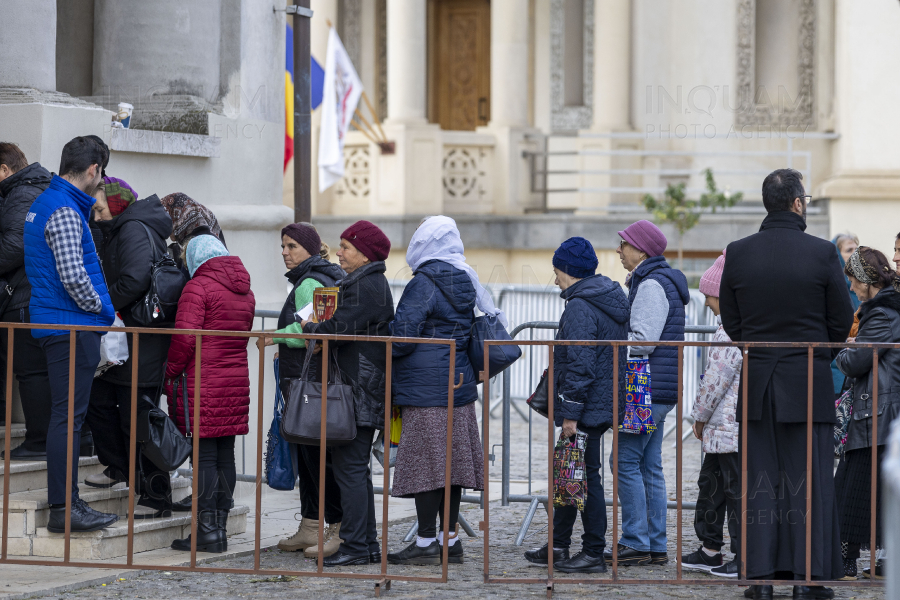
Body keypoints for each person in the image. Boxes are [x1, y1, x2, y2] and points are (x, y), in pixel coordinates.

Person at [719, 168, 853, 600]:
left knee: (759, 484)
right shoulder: (820, 253)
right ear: (798, 204)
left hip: (757, 382)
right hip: (807, 379)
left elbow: (733, 321)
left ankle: (758, 580)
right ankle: (807, 580)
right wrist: (817, 353)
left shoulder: (738, 252)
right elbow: (839, 319)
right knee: (809, 483)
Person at [22, 136, 117, 532]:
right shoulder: (63, 208)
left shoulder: (49, 202)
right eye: (102, 174)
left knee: (67, 417)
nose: (102, 182)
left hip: (61, 324)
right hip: (70, 326)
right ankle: (65, 508)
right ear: (93, 169)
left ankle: (67, 505)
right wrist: (101, 309)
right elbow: (73, 275)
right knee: (68, 420)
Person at [387, 216, 490, 566]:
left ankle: (426, 540)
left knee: (427, 466)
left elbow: (402, 338)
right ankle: (450, 539)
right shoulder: (463, 278)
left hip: (426, 388)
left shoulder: (425, 282)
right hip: (457, 385)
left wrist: (381, 331)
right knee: (450, 467)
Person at [523, 237, 629, 573]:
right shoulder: (604, 298)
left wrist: (570, 415)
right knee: (570, 471)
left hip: (586, 407)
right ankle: (557, 545)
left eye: (557, 271)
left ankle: (594, 551)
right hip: (600, 401)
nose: (555, 279)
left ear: (569, 271)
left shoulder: (581, 307)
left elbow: (580, 365)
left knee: (587, 477)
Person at [300, 220, 394, 567]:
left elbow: (337, 329)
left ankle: (357, 545)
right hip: (359, 387)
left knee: (349, 468)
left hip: (359, 390)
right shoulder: (364, 282)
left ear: (364, 253)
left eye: (346, 247)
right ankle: (365, 543)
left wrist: (311, 327)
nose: (339, 252)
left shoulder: (368, 285)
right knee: (353, 468)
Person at [84, 181, 176, 518]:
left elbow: (134, 280)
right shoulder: (123, 229)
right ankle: (122, 470)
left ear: (117, 205)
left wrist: (102, 307)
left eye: (99, 208)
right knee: (102, 404)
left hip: (143, 342)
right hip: (131, 342)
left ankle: (156, 497)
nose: (96, 216)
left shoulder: (133, 229)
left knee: (139, 422)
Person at [165, 235, 255, 553]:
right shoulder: (245, 290)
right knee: (224, 455)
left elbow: (185, 339)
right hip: (234, 383)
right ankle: (218, 526)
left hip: (202, 382)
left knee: (203, 457)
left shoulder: (198, 286)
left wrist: (169, 372)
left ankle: (205, 530)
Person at [608, 219, 689, 567]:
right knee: (649, 464)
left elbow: (641, 340)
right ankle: (654, 544)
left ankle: (635, 540)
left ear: (641, 250)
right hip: (658, 387)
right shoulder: (657, 280)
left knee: (624, 461)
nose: (619, 250)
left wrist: (612, 351)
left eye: (624, 244)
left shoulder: (652, 284)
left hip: (645, 387)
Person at [266, 223, 345, 558]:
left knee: (317, 457)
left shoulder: (310, 281)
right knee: (312, 455)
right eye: (283, 246)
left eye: (292, 246)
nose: (285, 252)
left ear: (310, 249)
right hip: (314, 381)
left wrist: (276, 336)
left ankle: (333, 528)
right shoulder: (321, 276)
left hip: (308, 383)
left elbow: (309, 333)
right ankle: (312, 526)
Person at [834, 247, 900, 580]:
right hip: (880, 409)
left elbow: (855, 360)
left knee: (851, 491)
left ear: (865, 280)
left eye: (852, 280)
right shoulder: (883, 309)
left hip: (877, 411)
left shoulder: (882, 314)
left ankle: (845, 563)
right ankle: (871, 563)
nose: (850, 287)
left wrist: (841, 346)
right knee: (863, 490)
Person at [681, 252, 741, 577]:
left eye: (708, 295)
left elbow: (715, 381)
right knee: (712, 488)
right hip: (723, 430)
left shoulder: (730, 330)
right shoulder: (731, 327)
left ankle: (741, 556)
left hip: (726, 428)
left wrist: (698, 418)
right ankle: (710, 549)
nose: (705, 302)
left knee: (731, 491)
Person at [0, 142, 53, 453]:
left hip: (25, 298)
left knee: (31, 370)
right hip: (33, 295)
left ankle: (38, 441)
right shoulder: (34, 187)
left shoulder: (22, 193)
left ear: (5, 170)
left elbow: (13, 247)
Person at [830, 233, 861, 397]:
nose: (855, 254)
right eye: (849, 250)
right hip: (836, 364)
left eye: (857, 249)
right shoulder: (831, 284)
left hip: (859, 361)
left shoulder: (864, 285)